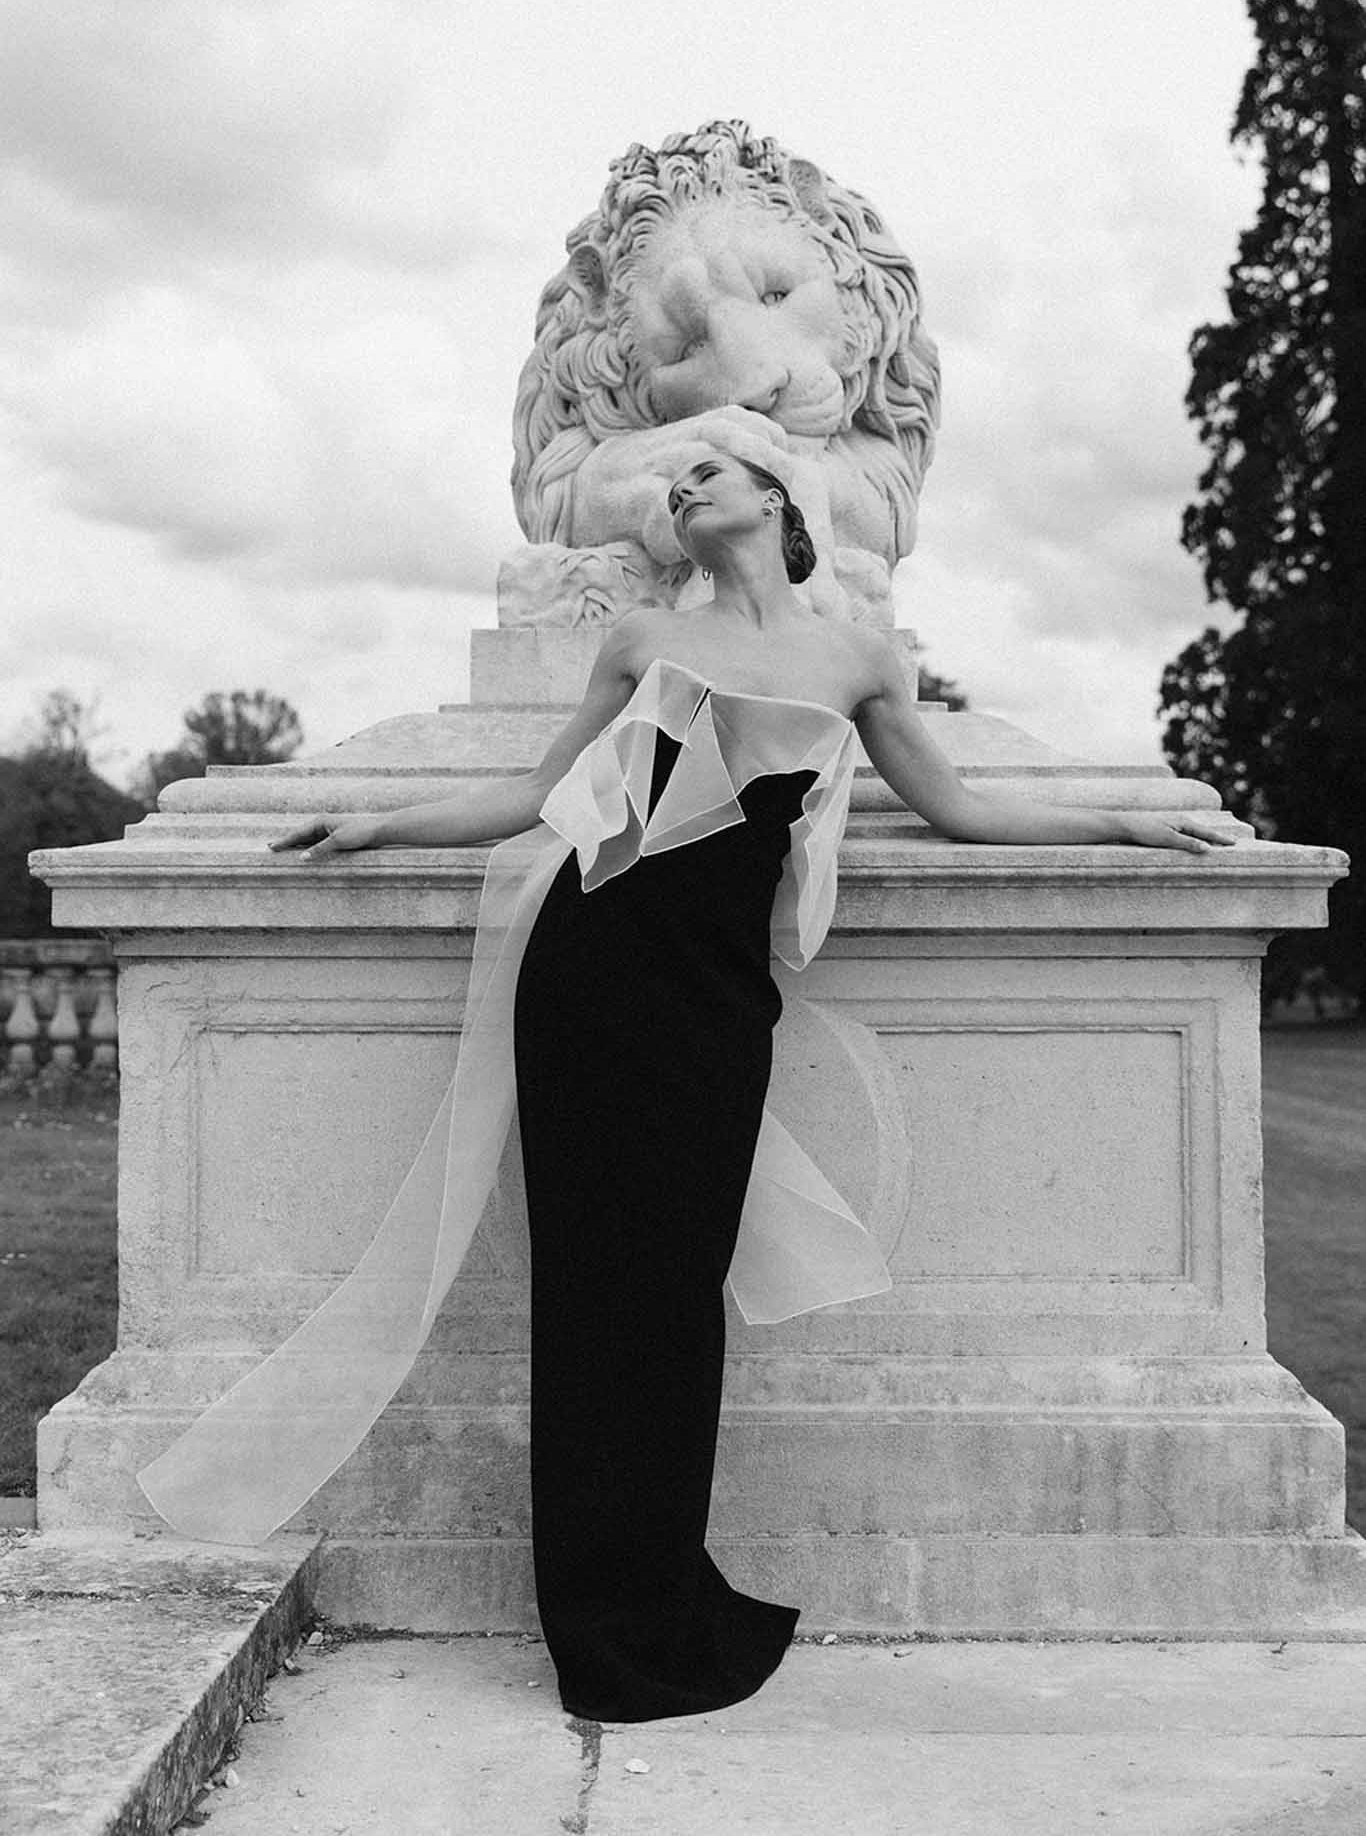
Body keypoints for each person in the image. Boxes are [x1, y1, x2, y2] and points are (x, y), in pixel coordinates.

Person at [147, 440, 1233, 1725]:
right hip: (590, 975)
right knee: (591, 1291)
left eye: (711, 472)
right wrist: (380, 823)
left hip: (716, 1002)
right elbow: (531, 794)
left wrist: (1126, 824)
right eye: (676, 484)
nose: (685, 488)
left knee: (674, 1295)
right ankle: (597, 1624)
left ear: (778, 499)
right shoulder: (642, 637)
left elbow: (962, 808)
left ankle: (664, 1587)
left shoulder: (859, 659)